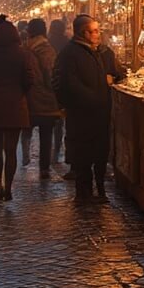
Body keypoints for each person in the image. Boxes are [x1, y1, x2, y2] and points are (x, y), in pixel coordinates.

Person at [0, 15, 36, 201]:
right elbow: (29, 80)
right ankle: (9, 187)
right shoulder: (23, 54)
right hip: (15, 103)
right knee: (11, 149)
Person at [53, 15, 111, 203]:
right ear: (83, 32)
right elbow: (65, 83)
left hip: (100, 112)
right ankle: (83, 193)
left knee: (100, 152)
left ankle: (100, 190)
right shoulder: (70, 54)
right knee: (84, 154)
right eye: (94, 31)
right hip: (82, 113)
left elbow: (115, 72)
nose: (98, 34)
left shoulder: (100, 52)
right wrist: (89, 99)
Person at [24, 18, 62, 179]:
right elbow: (51, 73)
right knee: (46, 134)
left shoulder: (23, 48)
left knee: (26, 128)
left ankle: (25, 155)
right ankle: (44, 167)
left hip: (27, 97)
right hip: (45, 98)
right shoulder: (46, 49)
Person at [47, 18, 70, 165]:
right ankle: (60, 147)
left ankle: (53, 148)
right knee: (64, 121)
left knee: (52, 120)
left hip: (51, 85)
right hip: (65, 84)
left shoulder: (47, 43)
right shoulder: (67, 44)